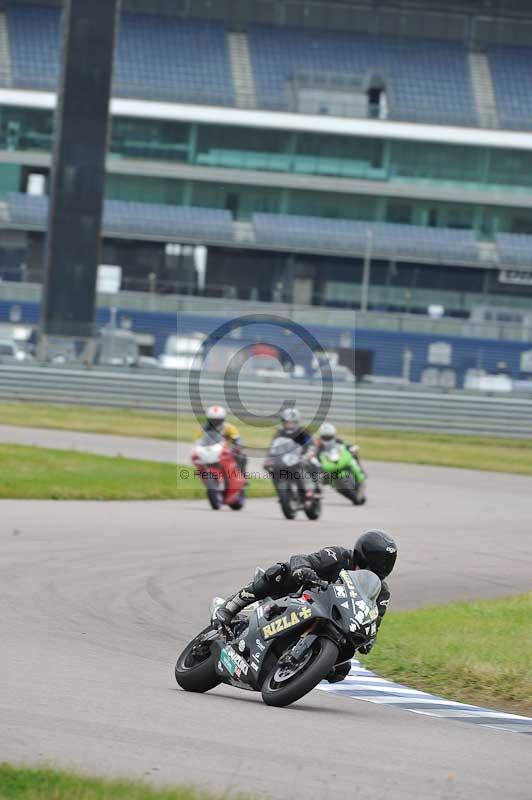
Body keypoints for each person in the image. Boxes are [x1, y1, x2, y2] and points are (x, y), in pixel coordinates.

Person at [214, 529, 397, 683]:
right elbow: (302, 559)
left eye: (386, 564)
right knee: (279, 571)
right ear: (364, 554)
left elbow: (374, 620)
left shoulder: (381, 592)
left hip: (333, 622)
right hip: (297, 598)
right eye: (379, 561)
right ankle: (230, 607)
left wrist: (368, 639)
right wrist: (304, 570)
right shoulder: (339, 556)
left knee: (342, 669)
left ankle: (299, 668)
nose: (382, 567)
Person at [315, 422, 366, 487]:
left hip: (339, 457)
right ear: (321, 436)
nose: (327, 439)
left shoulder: (338, 440)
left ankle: (360, 471)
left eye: (329, 437)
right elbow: (316, 453)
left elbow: (347, 445)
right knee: (317, 464)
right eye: (325, 437)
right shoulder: (319, 444)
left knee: (353, 456)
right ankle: (323, 480)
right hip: (327, 461)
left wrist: (353, 448)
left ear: (333, 435)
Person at [200, 405, 247, 475]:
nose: (215, 422)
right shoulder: (204, 429)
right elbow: (198, 442)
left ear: (223, 419)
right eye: (213, 420)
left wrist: (237, 448)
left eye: (218, 420)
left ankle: (242, 476)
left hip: (227, 453)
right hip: (209, 453)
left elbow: (238, 439)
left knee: (242, 457)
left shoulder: (229, 428)